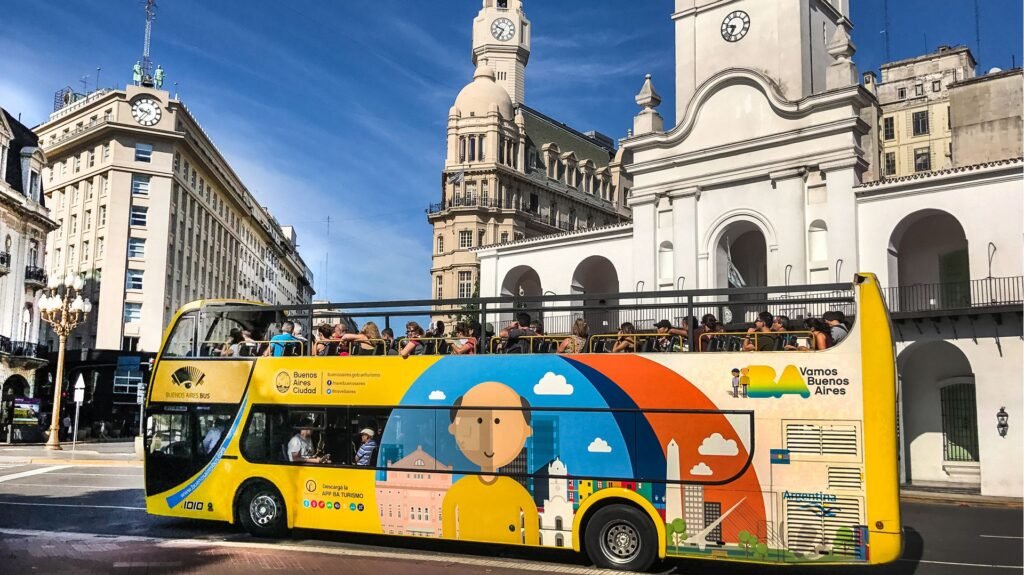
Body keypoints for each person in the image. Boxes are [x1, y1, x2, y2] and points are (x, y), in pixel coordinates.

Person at [442, 381, 539, 544]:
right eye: (478, 422)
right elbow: (448, 521)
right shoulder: (459, 489)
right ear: (454, 429)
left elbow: (530, 521)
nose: (488, 437)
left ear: (527, 431)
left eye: (499, 423)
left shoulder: (515, 491)